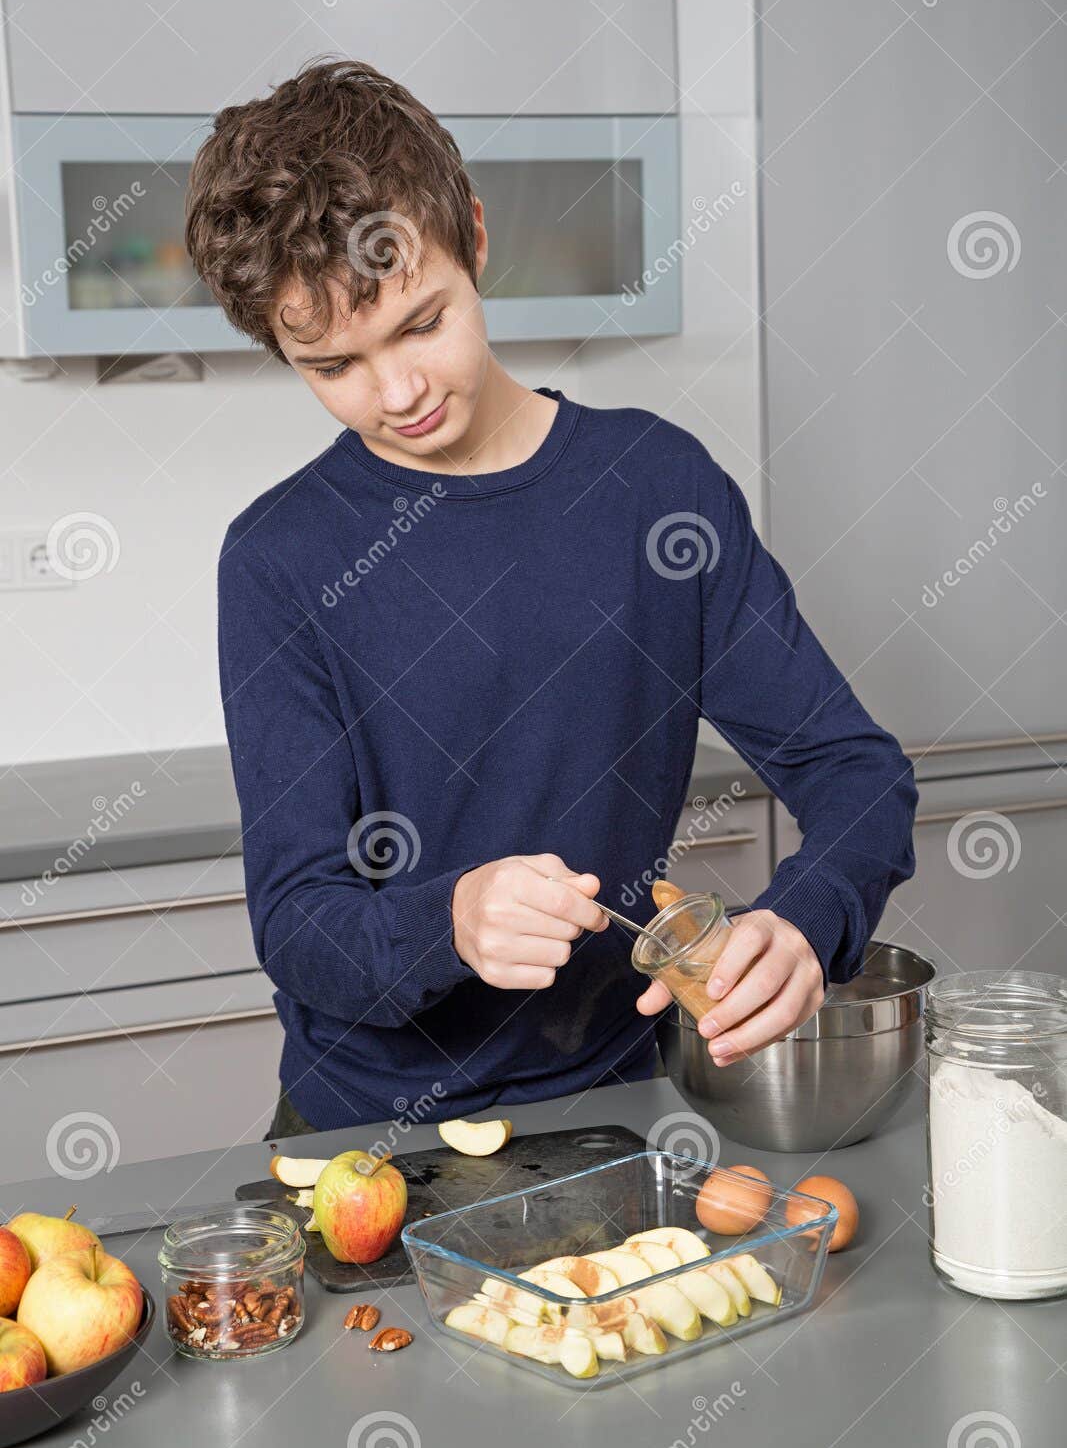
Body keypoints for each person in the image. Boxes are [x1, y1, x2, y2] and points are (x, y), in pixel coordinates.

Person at [184, 58, 917, 1138]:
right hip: (365, 1136)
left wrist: (807, 921)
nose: (396, 393)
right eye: (333, 364)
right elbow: (298, 923)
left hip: (619, 1107)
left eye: (420, 323)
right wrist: (450, 923)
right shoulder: (277, 558)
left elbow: (856, 772)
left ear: (473, 237)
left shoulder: (653, 492)